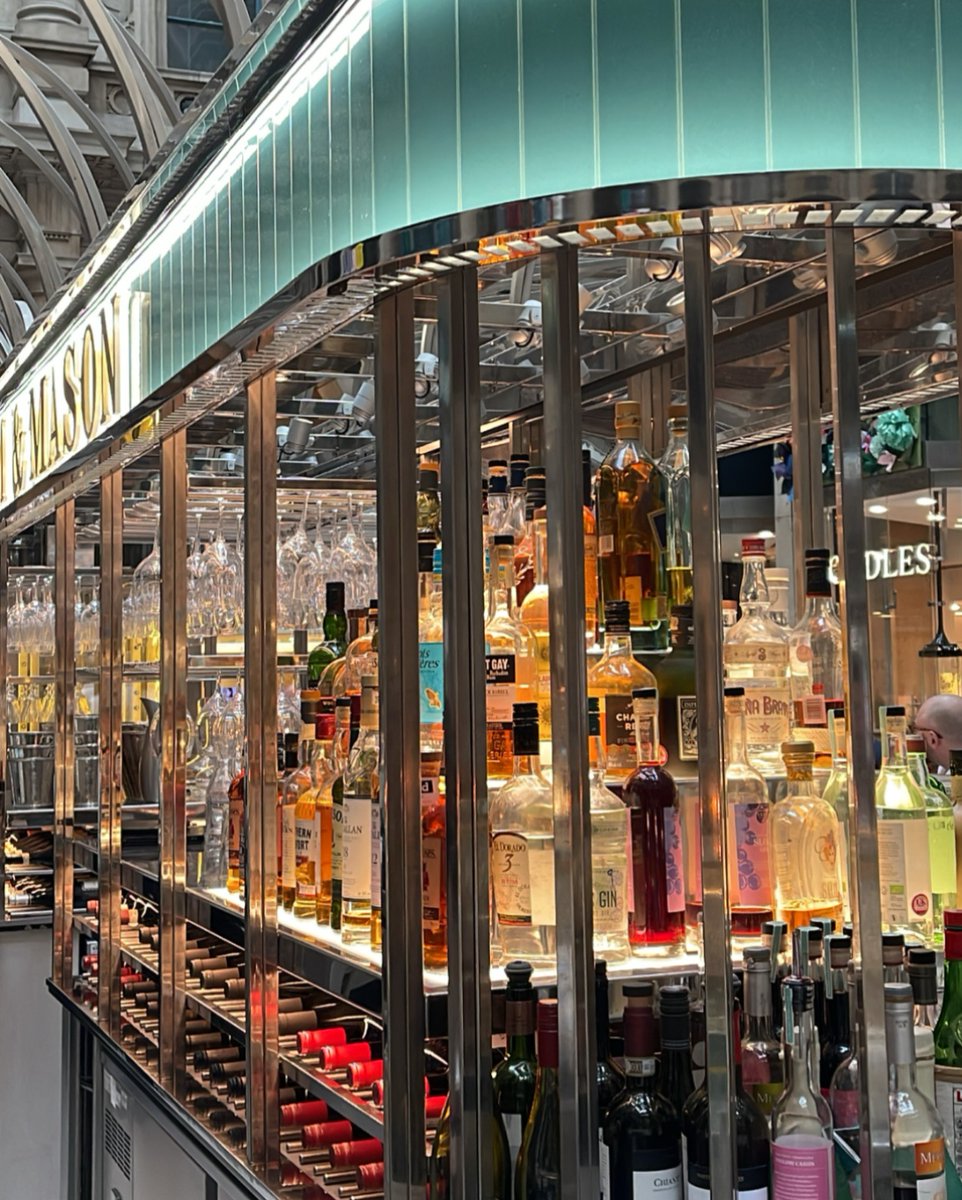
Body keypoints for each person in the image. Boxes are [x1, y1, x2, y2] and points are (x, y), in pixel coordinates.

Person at [913, 694, 962, 773]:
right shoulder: (945, 770)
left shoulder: (956, 781)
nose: (916, 736)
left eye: (917, 729)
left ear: (933, 739)